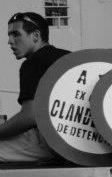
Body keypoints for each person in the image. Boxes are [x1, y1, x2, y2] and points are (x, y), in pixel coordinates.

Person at [0, 12, 70, 162]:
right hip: (78, 142)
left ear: (36, 36)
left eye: (16, 34)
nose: (10, 41)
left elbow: (30, 117)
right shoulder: (68, 56)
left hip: (50, 141)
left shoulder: (32, 63)